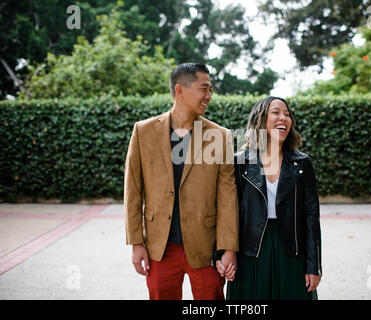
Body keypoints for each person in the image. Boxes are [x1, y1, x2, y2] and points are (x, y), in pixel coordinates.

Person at [124, 63, 238, 300]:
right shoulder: (143, 131)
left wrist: (229, 249)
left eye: (210, 90)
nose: (209, 96)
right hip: (160, 246)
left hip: (205, 247)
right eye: (203, 89)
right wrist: (136, 242)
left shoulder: (220, 136)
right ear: (180, 90)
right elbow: (133, 191)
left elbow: (227, 197)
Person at [218, 96, 322, 300]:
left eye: (287, 114)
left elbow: (311, 218)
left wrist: (313, 265)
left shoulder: (302, 163)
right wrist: (222, 253)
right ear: (260, 119)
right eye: (276, 112)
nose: (283, 117)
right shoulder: (240, 162)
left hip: (292, 251)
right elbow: (225, 212)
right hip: (250, 250)